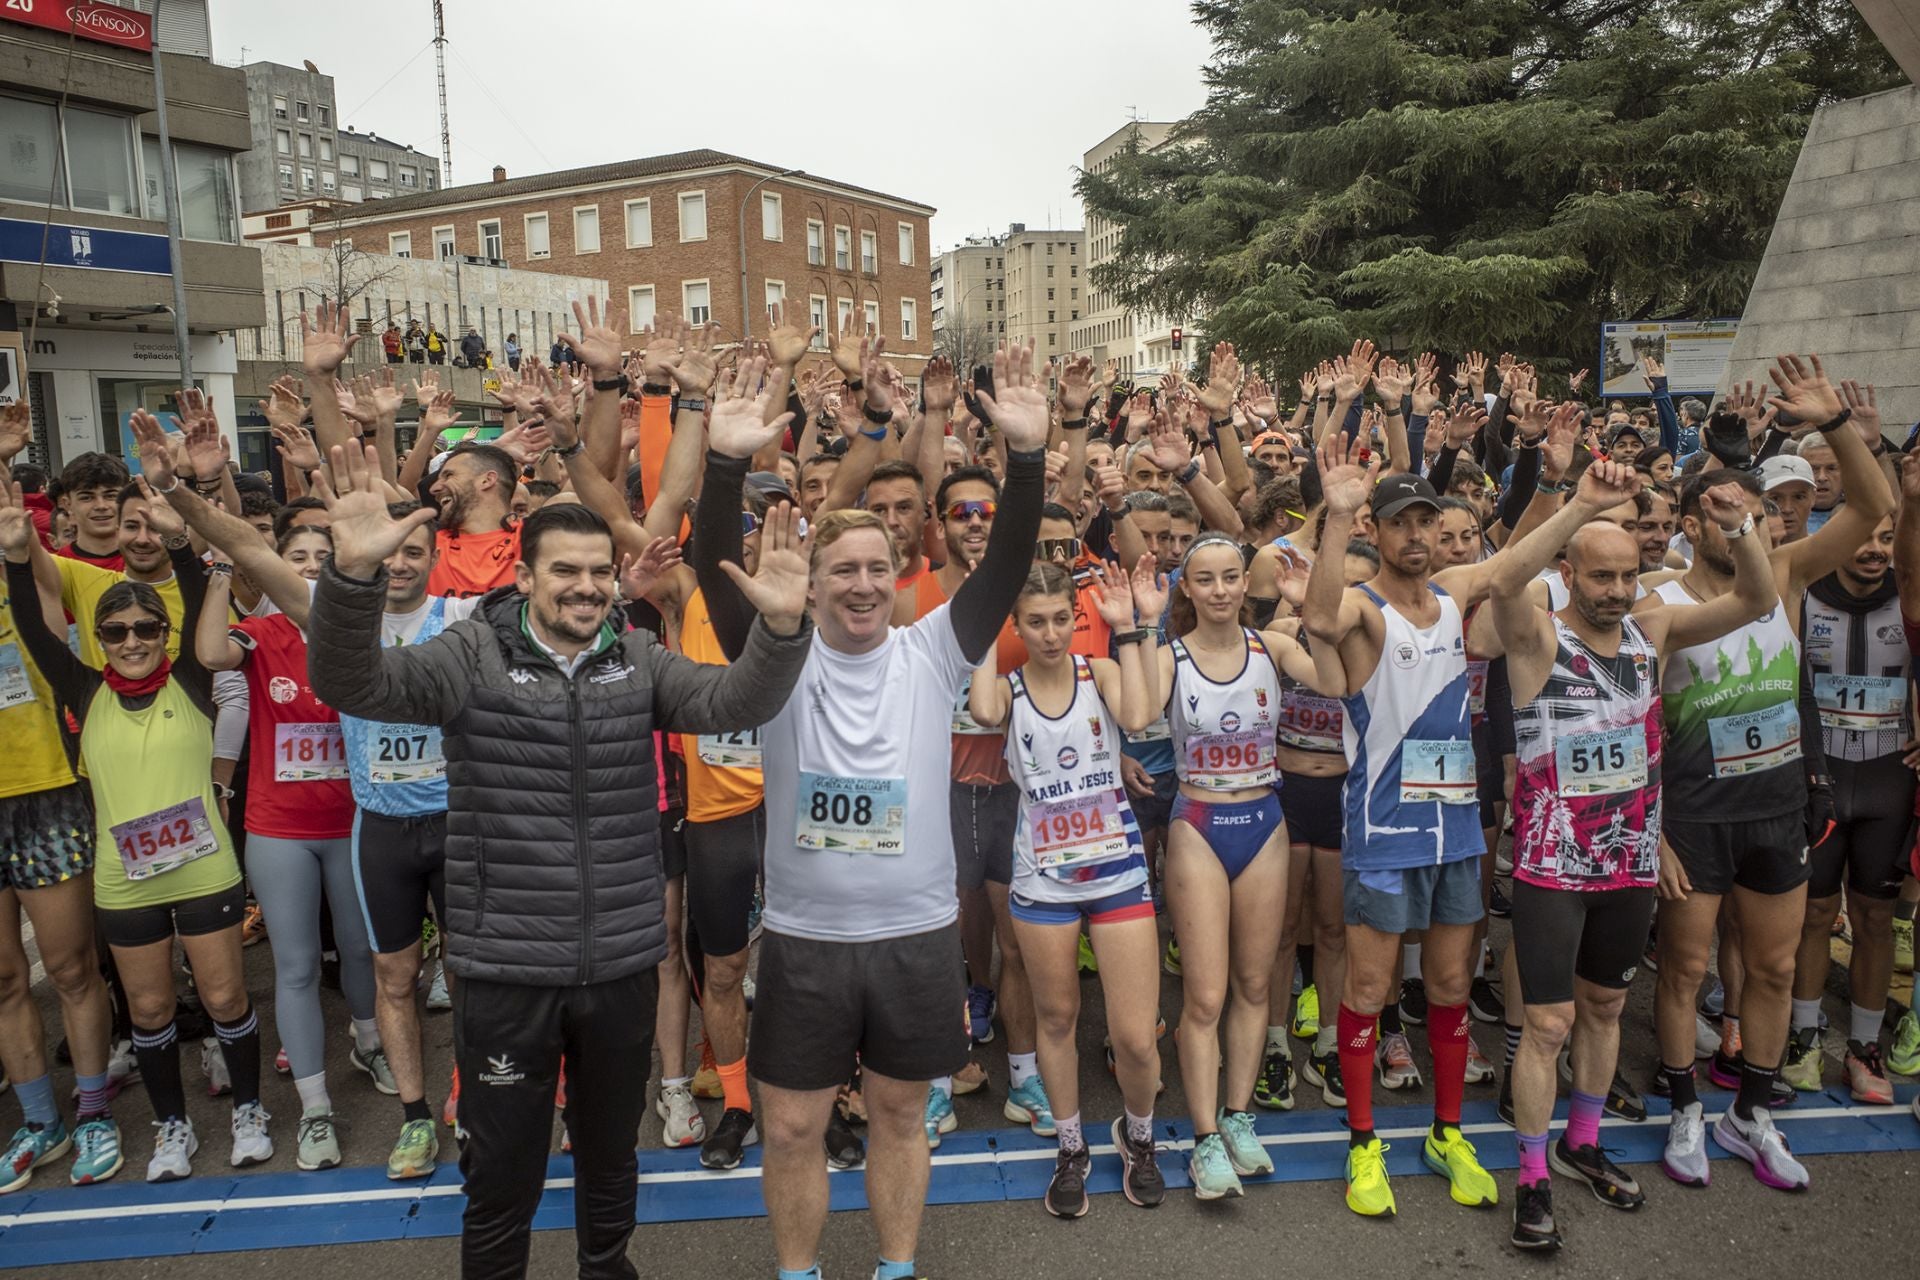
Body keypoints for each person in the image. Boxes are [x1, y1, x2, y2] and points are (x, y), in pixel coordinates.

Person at [307, 398, 812, 1278]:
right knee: (502, 1175)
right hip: (506, 968)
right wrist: (350, 580)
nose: (584, 587)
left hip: (618, 964)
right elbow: (355, 680)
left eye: (596, 573)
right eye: (563, 572)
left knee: (611, 1163)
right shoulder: (470, 655)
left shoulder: (639, 660)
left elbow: (741, 704)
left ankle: (605, 1268)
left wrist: (777, 629)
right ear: (525, 580)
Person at [695, 341, 1046, 1280]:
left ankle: (896, 1267)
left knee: (897, 1114)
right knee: (797, 1123)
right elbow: (708, 568)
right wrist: (724, 464)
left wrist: (1029, 457)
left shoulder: (934, 648)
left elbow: (1007, 564)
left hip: (916, 934)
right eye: (838, 569)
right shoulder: (778, 653)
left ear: (900, 577)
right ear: (808, 585)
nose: (858, 583)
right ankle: (798, 1272)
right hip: (807, 938)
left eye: (874, 568)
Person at [140, 425, 472, 1180]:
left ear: (431, 555)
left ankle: (472, 1094)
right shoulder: (332, 612)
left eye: (414, 550)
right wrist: (176, 491)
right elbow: (252, 552)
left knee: (474, 975)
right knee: (392, 976)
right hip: (379, 829)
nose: (399, 563)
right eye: (387, 552)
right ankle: (411, 1117)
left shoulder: (464, 618)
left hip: (456, 824)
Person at [1489, 459, 1776, 1251]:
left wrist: (1739, 525)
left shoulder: (1653, 630)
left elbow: (1757, 599)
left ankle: (1583, 1143)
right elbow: (1505, 580)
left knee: (1608, 1008)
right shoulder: (1537, 639)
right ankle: (1535, 1174)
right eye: (1600, 576)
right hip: (1552, 867)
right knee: (1547, 1023)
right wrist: (1575, 504)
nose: (1616, 590)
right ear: (1569, 574)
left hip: (1626, 864)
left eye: (1627, 576)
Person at [1643, 353, 1893, 1195]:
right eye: (1721, 512)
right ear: (1689, 521)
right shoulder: (1659, 605)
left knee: (1779, 969)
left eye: (1754, 513)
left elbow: (1874, 507)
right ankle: (1685, 1106)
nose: (1743, 525)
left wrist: (1832, 427)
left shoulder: (1784, 576)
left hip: (1776, 806)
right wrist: (1650, 827)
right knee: (1685, 970)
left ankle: (1752, 1115)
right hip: (1695, 815)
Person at [1303, 430, 1550, 1220]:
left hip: (1456, 835)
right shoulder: (1365, 610)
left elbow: (1513, 565)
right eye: (1400, 522)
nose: (1414, 535)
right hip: (1383, 835)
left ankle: (1447, 1132)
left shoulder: (1451, 595)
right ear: (1377, 530)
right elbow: (1315, 618)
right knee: (1370, 991)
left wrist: (1582, 500)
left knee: (1447, 987)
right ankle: (1364, 1141)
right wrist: (1337, 515)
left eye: (1425, 521)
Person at [3, 472, 268, 1184]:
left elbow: (186, 594)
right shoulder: (83, 688)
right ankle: (171, 1126)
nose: (129, 640)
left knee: (224, 999)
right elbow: (32, 625)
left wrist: (180, 539)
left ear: (164, 633)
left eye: (145, 628)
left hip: (203, 866)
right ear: (97, 638)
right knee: (148, 1008)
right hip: (125, 879)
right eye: (114, 631)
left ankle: (249, 1110)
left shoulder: (191, 678)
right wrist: (13, 553)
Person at [965, 558, 1167, 1216]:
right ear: (1016, 625)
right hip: (1043, 881)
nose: (1050, 634)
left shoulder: (1098, 671)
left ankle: (1139, 1137)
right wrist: (980, 601)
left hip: (1116, 873)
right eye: (1035, 622)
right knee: (1057, 1019)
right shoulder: (1008, 688)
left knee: (1136, 1036)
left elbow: (1140, 711)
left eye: (1061, 620)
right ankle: (1072, 1148)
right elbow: (981, 704)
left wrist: (1130, 626)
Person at [1134, 530, 1328, 1199]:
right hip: (1199, 823)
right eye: (1205, 579)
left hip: (1264, 821)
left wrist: (1313, 611)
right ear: (1186, 588)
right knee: (1206, 995)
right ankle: (1204, 1135)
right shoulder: (1170, 654)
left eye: (1230, 577)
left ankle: (1241, 1118)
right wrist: (1136, 625)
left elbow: (1336, 681)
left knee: (1254, 985)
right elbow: (1134, 712)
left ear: (1248, 583)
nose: (1219, 590)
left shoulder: (1271, 647)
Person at [0, 482, 120, 1193]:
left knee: (72, 969)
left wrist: (21, 545)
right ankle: (39, 1122)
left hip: (46, 792)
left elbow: (40, 587)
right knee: (5, 979)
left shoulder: (30, 571)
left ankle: (95, 1112)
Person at [1784, 511, 1908, 1105]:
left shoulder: (1909, 600)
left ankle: (1863, 1048)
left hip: (1890, 782)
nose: (1874, 550)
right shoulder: (1805, 596)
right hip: (1826, 776)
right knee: (1813, 913)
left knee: (1876, 919)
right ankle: (1805, 1036)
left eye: (1887, 538)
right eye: (1863, 536)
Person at [428, 444, 521, 598]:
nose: (434, 488)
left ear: (487, 480)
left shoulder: (535, 538)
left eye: (449, 475)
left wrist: (570, 448)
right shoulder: (427, 546)